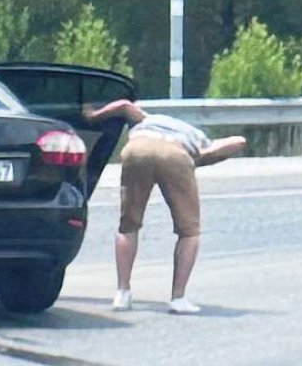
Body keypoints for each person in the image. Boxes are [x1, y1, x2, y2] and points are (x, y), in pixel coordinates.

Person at [84, 99, 247, 314]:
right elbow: (239, 141)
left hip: (138, 148)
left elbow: (123, 105)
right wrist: (204, 154)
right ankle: (178, 298)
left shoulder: (147, 119)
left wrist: (92, 116)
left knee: (129, 225)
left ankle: (122, 293)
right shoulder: (197, 136)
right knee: (189, 231)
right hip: (176, 155)